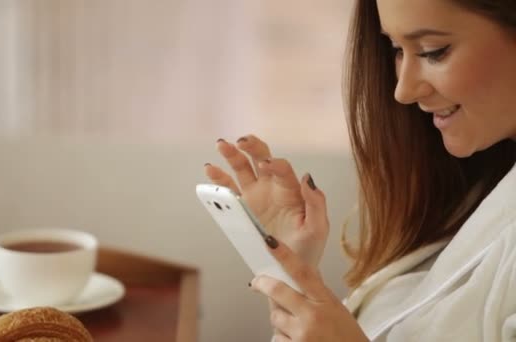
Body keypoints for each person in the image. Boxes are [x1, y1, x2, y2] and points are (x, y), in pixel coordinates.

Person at [203, 0, 516, 340]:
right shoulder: (470, 194)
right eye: (397, 49)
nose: (403, 91)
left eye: (432, 51)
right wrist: (293, 281)